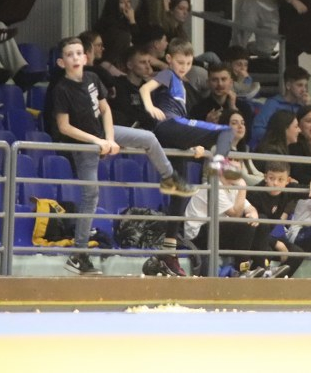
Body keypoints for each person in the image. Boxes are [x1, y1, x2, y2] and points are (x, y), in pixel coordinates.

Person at [50, 37, 197, 276]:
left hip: (103, 133)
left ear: (85, 58)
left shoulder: (92, 78)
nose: (75, 57)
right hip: (83, 145)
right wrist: (98, 142)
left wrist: (109, 138)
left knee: (149, 138)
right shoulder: (62, 89)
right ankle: (78, 255)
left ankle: (170, 177)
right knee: (91, 195)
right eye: (69, 54)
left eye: (78, 53)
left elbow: (105, 109)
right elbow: (64, 127)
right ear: (61, 62)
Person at [139, 37, 233, 275]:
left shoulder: (182, 83)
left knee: (180, 192)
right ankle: (218, 164)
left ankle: (169, 253)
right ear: (169, 59)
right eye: (180, 62)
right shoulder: (168, 74)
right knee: (226, 131)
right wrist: (149, 107)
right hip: (168, 125)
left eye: (189, 63)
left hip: (174, 134)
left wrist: (194, 143)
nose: (184, 67)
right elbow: (144, 89)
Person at [183, 155, 260, 277]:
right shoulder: (214, 186)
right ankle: (242, 270)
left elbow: (249, 207)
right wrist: (243, 188)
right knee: (245, 226)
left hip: (216, 229)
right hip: (198, 234)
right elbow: (235, 214)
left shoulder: (232, 186)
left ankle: (262, 268)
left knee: (260, 223)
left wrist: (254, 214)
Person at [246, 160, 306, 278]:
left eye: (280, 179)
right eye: (271, 178)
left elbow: (309, 190)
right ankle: (257, 276)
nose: (275, 183)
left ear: (287, 181)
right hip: (253, 239)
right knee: (263, 228)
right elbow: (254, 229)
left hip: (269, 238)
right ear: (265, 178)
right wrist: (276, 243)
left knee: (297, 253)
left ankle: (275, 281)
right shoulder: (254, 194)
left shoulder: (288, 190)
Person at [250, 64, 311, 146]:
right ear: (288, 85)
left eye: (305, 86)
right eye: (299, 85)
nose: (304, 90)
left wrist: (307, 107)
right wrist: (278, 140)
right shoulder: (273, 104)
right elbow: (257, 130)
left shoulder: (302, 107)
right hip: (272, 148)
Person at [192, 63, 254, 130]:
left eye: (223, 79)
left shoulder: (244, 108)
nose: (220, 84)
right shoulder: (198, 109)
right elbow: (194, 135)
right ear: (208, 83)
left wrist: (233, 109)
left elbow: (247, 135)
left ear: (231, 83)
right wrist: (206, 124)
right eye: (214, 80)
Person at [94, 0, 136, 70]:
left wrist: (132, 21)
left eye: (128, 1)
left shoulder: (127, 21)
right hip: (110, 65)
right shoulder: (107, 24)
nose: (127, 5)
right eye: (122, 2)